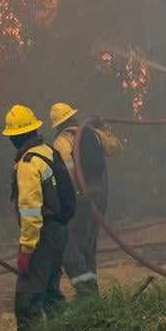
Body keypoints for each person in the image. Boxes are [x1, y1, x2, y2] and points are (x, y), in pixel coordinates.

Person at [2, 104, 74, 331]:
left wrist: (26, 250)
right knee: (51, 293)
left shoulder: (28, 163)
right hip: (59, 232)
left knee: (27, 299)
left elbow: (31, 213)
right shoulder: (48, 152)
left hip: (42, 237)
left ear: (16, 136)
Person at [50, 102, 123, 298]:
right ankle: (93, 292)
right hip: (100, 197)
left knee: (75, 246)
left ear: (57, 125)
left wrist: (77, 195)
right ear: (73, 117)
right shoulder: (93, 133)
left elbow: (67, 172)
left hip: (81, 198)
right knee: (89, 243)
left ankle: (87, 293)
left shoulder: (61, 142)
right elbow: (116, 147)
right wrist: (103, 130)